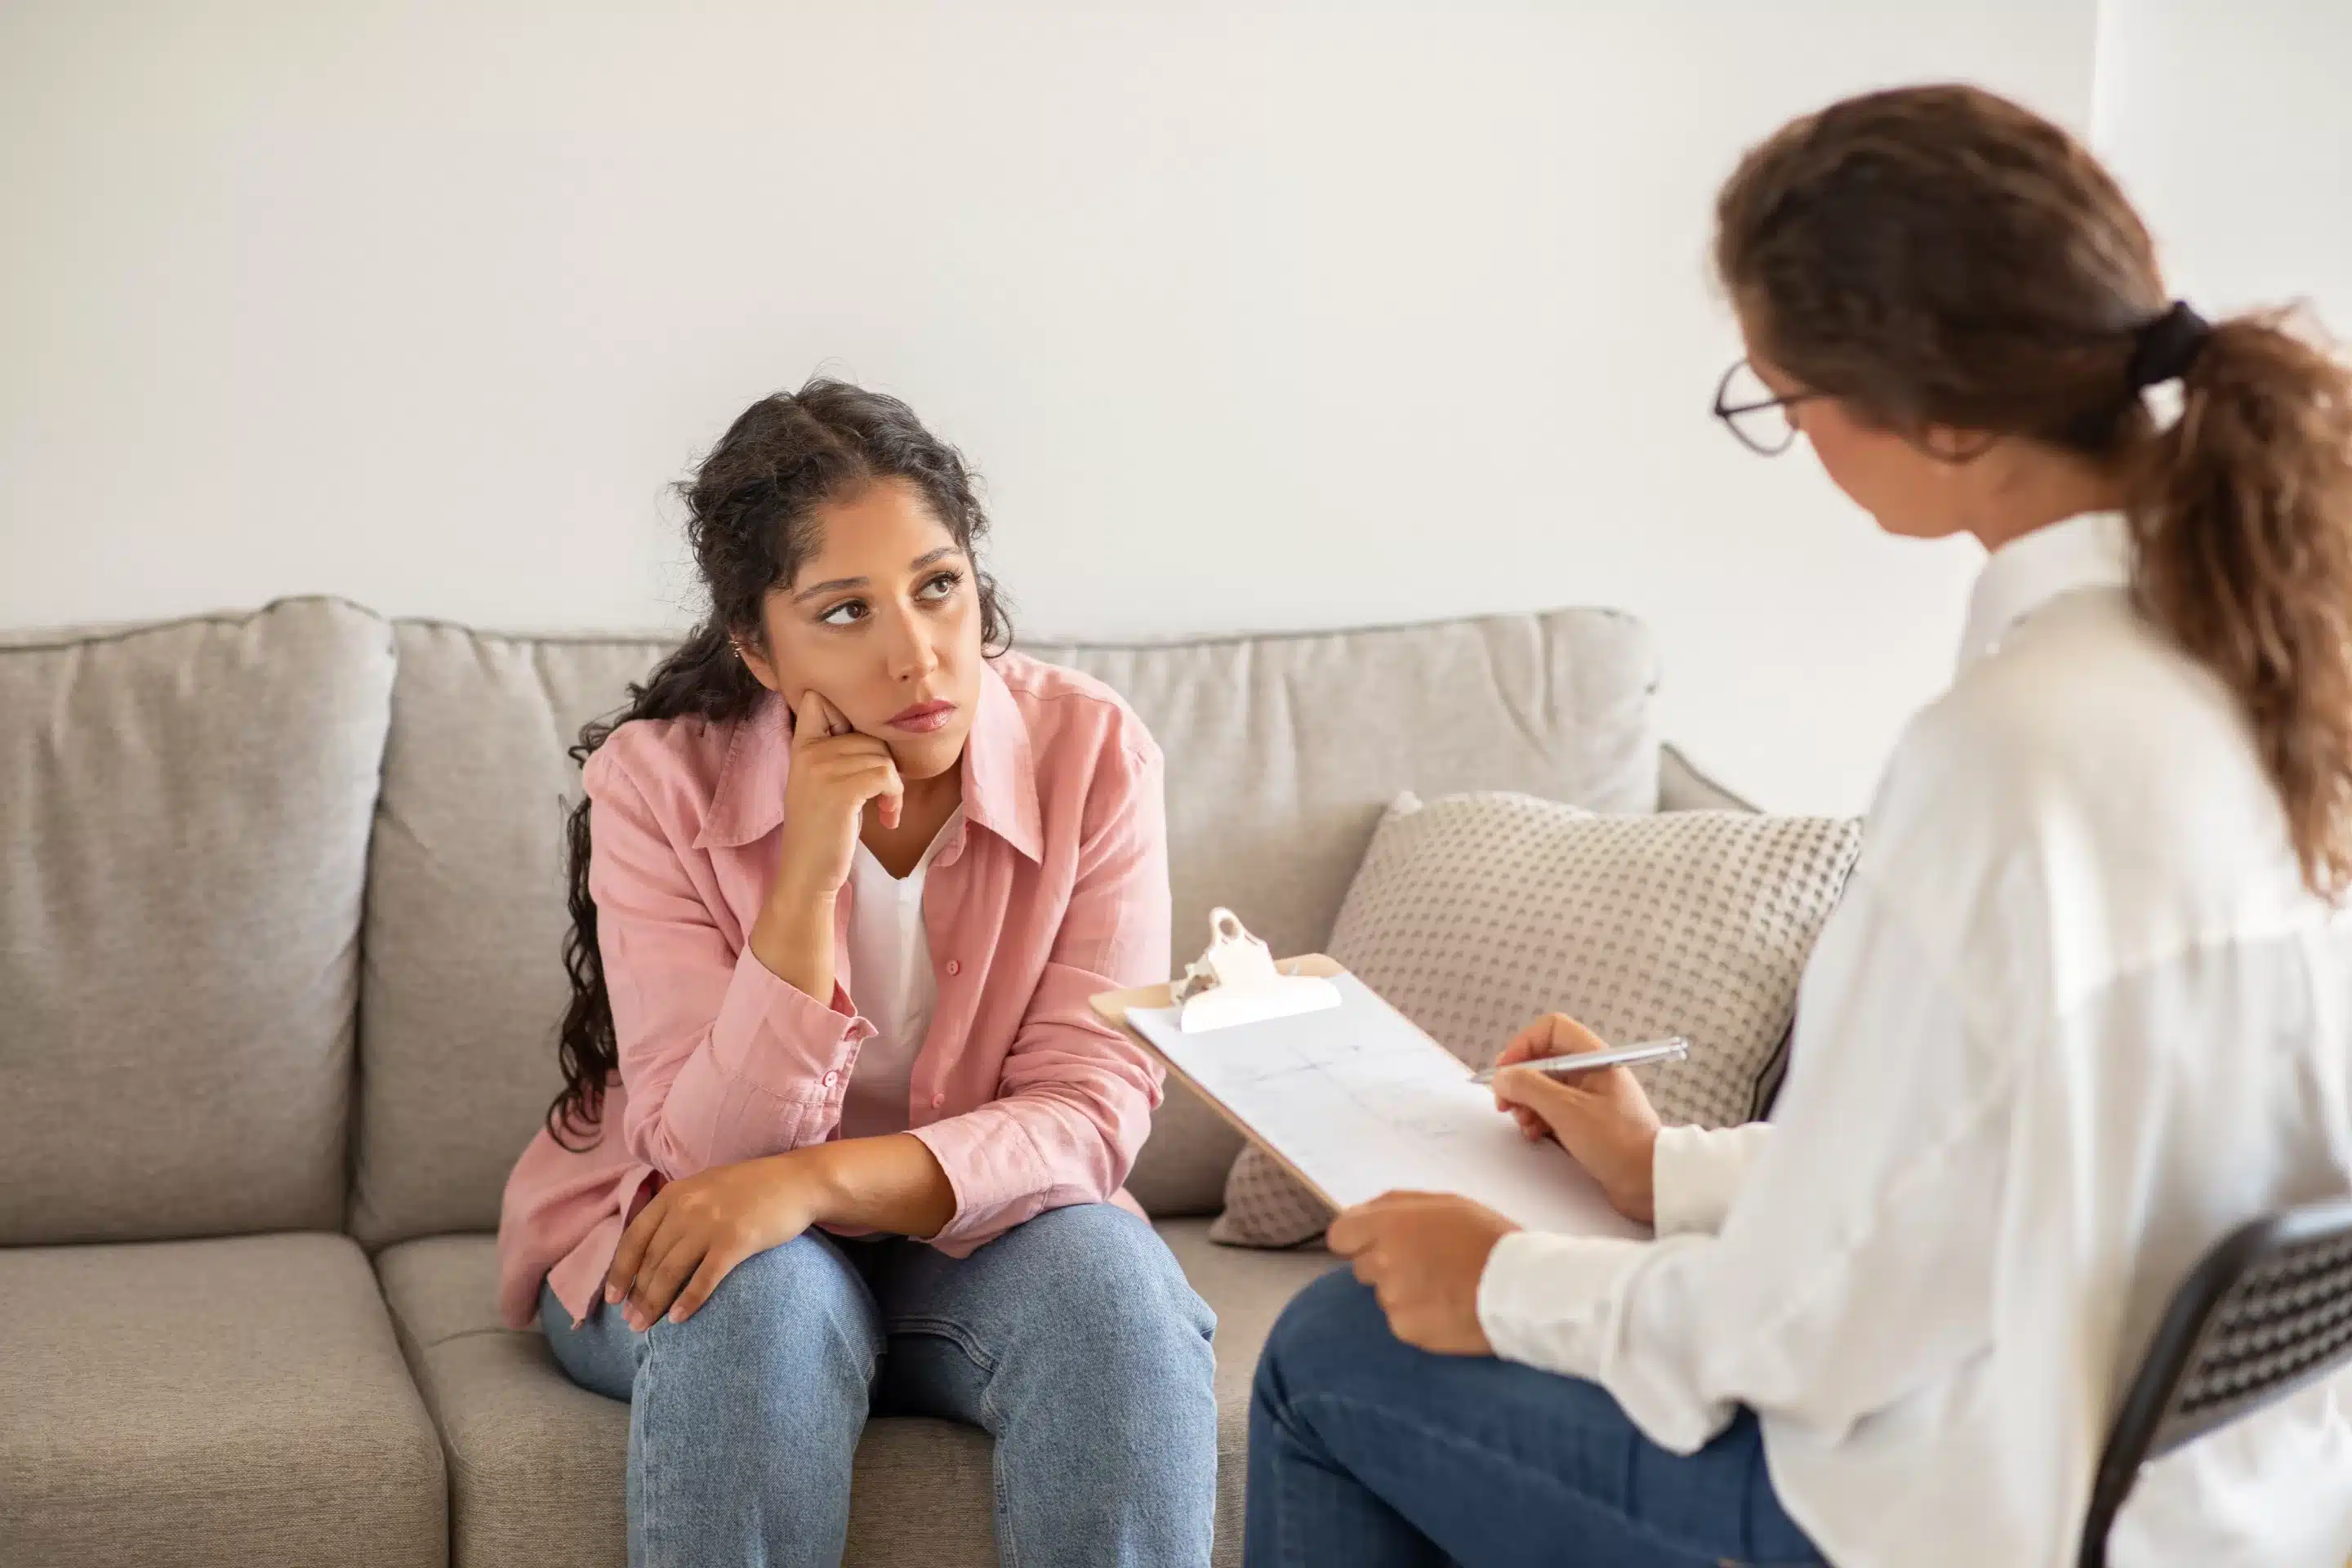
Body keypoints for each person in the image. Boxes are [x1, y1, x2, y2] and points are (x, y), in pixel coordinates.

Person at [1246, 83, 2352, 1568]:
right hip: (2222, 1508)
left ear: (1943, 415)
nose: (1801, 438)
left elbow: (1827, 1327)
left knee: (1330, 1349)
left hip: (1972, 1518)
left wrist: (1507, 1280)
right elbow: (1998, 1164)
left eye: (1783, 397)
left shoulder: (2012, 753)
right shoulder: (2263, 667)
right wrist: (1671, 1174)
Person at [496, 380, 1217, 1568]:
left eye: (938, 586)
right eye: (844, 612)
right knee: (757, 1297)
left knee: (1117, 1299)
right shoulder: (653, 784)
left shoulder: (1092, 750)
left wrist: (813, 1185)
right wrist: (805, 872)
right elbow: (710, 1167)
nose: (917, 653)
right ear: (757, 649)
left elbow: (1087, 1115)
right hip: (713, 1237)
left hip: (985, 1238)